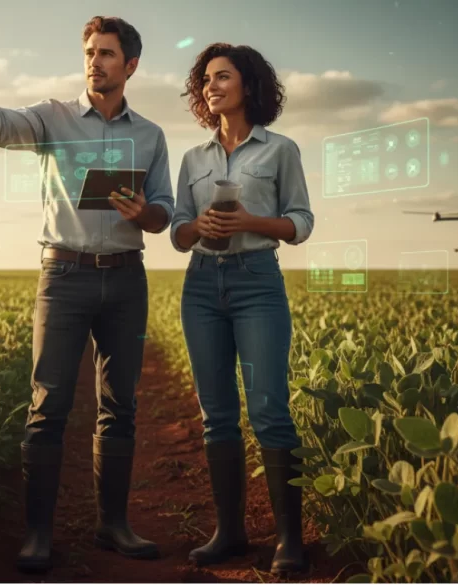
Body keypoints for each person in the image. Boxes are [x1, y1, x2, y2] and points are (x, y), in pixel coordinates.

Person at [0, 16, 174, 574]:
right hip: (63, 277)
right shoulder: (52, 117)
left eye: (107, 54)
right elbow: (0, 126)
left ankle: (115, 526)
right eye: (90, 52)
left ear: (130, 66)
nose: (95, 61)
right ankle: (37, 534)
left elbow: (165, 212)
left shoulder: (151, 135)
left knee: (120, 407)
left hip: (127, 279)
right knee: (48, 406)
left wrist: (145, 212)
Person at [168, 42, 314, 576]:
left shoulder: (280, 151)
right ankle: (229, 533)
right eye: (205, 79)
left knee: (271, 411)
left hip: (258, 283)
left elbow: (300, 223)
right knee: (217, 417)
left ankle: (289, 542)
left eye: (222, 76)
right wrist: (197, 227)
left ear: (248, 86)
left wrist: (251, 221)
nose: (211, 86)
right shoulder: (193, 159)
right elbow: (178, 233)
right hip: (202, 286)